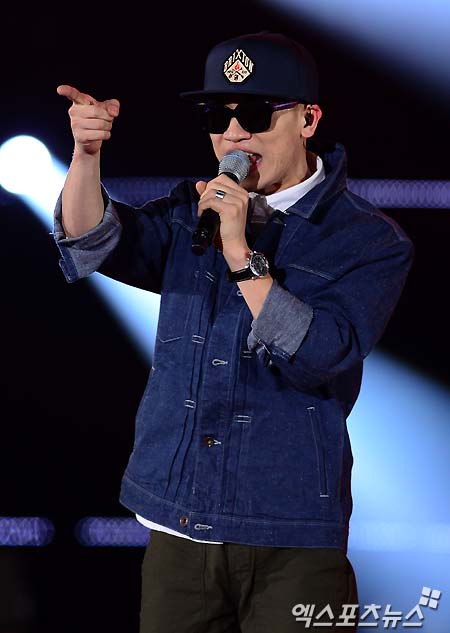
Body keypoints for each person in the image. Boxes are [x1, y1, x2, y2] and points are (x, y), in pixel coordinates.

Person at [53, 31, 414, 633]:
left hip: (291, 537)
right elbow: (94, 242)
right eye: (217, 117)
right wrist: (87, 156)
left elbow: (324, 354)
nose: (234, 134)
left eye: (254, 114)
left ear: (308, 119)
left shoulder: (368, 241)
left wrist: (242, 255)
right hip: (179, 527)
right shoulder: (191, 212)